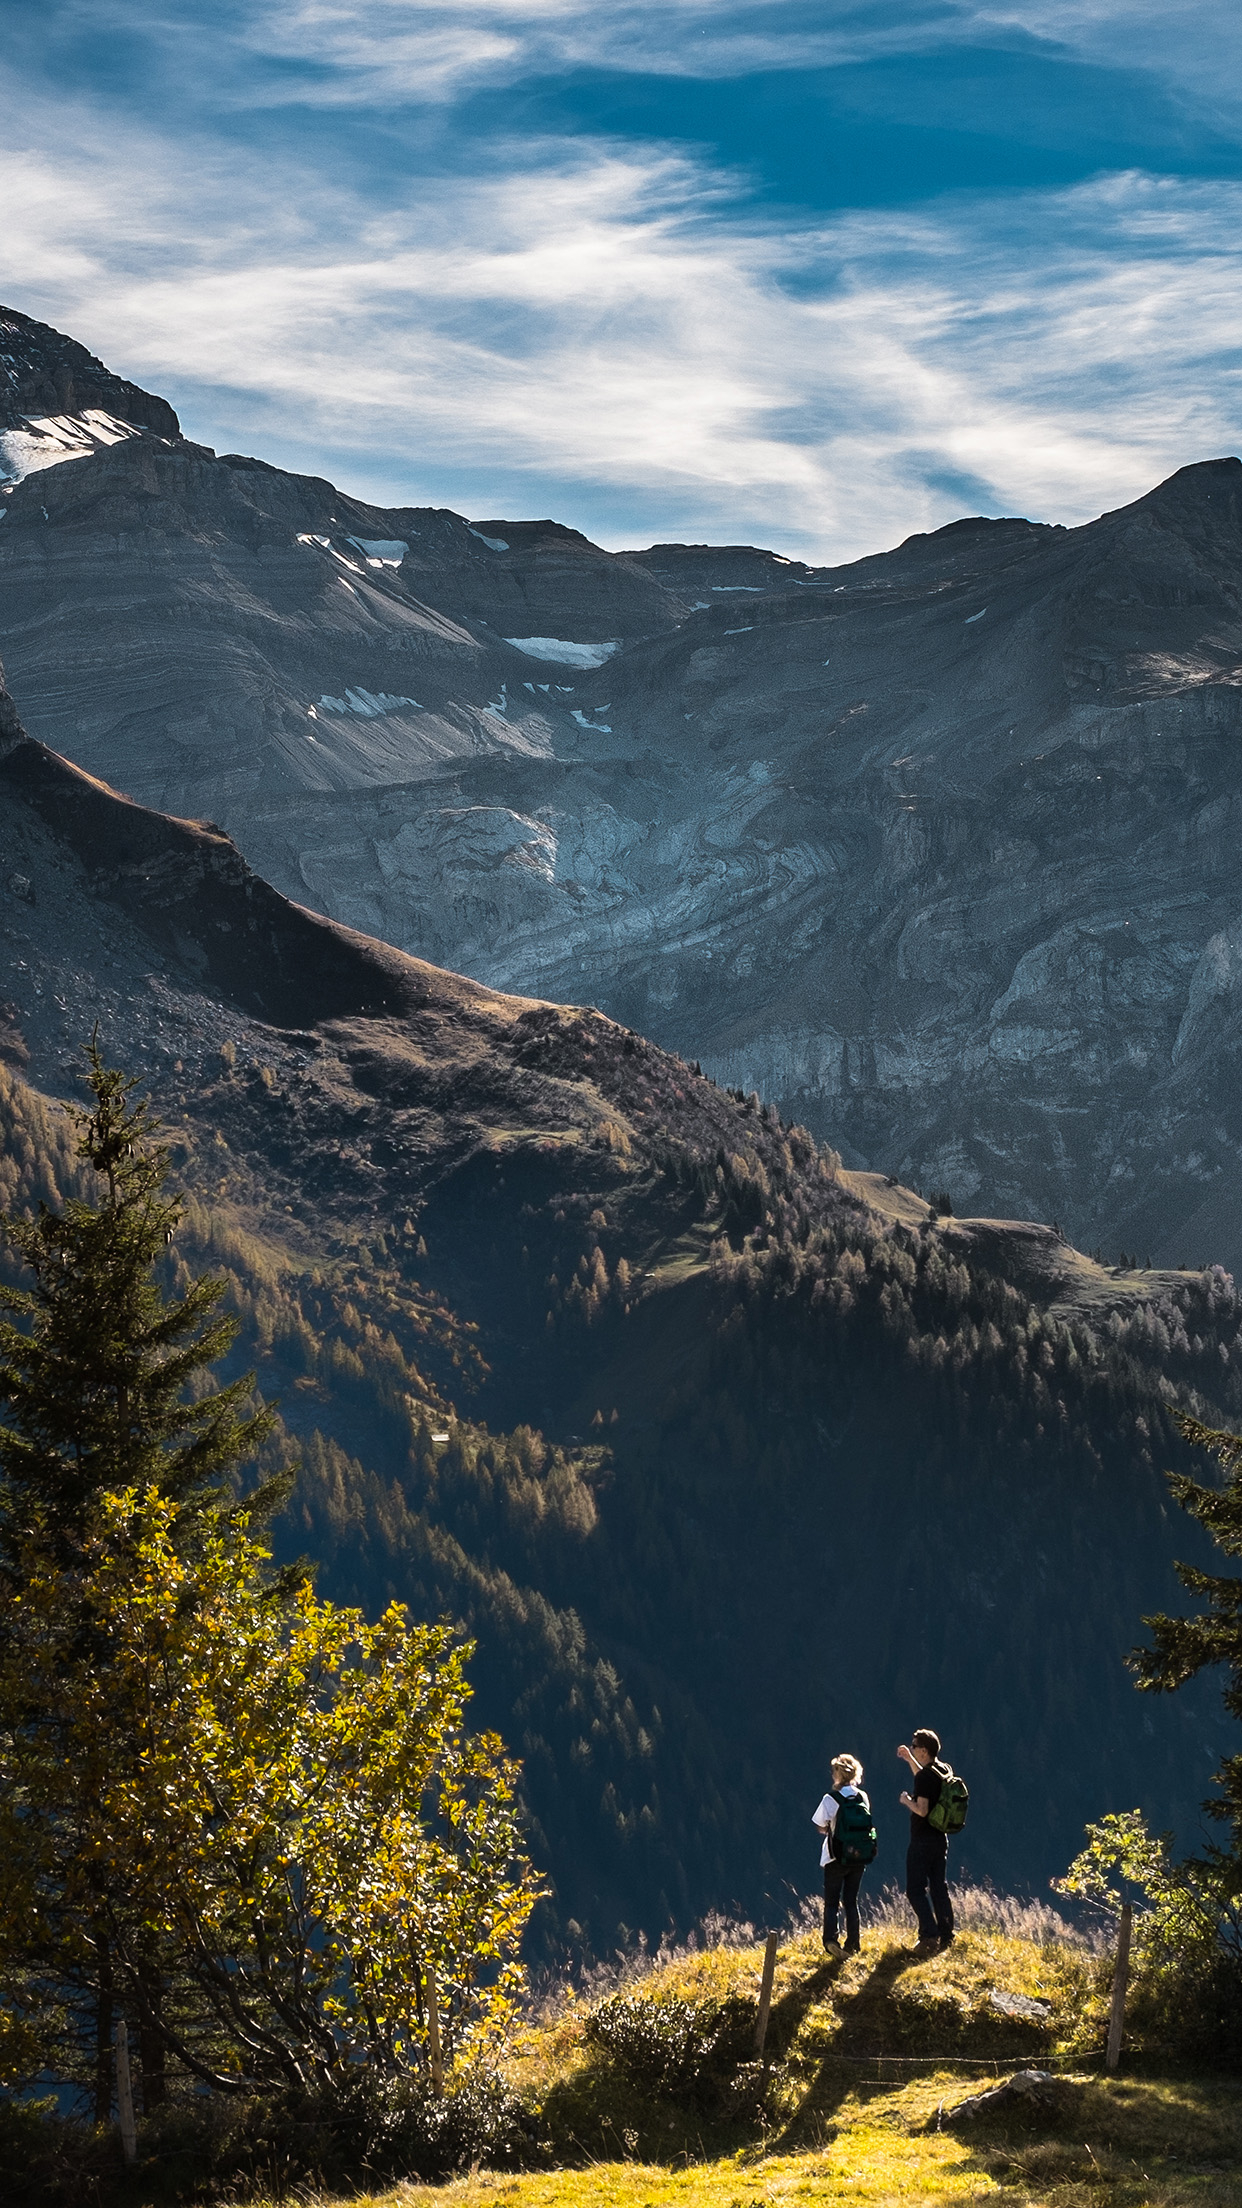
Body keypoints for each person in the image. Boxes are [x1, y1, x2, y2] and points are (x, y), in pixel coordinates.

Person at [898, 1727, 954, 1954]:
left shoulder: (924, 1777)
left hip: (922, 1840)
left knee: (915, 1890)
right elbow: (925, 1779)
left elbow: (922, 1809)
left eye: (914, 1746)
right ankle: (947, 1935)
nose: (912, 1748)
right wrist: (909, 1759)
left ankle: (929, 1936)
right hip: (940, 1839)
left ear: (923, 1750)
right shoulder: (943, 1770)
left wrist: (906, 1801)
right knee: (939, 1888)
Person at [811, 1753, 872, 1954]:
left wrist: (830, 1827)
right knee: (851, 1901)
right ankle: (853, 1944)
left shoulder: (831, 1798)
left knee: (831, 1902)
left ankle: (831, 1941)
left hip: (835, 1857)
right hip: (859, 1856)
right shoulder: (862, 1797)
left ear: (837, 1774)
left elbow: (820, 1825)